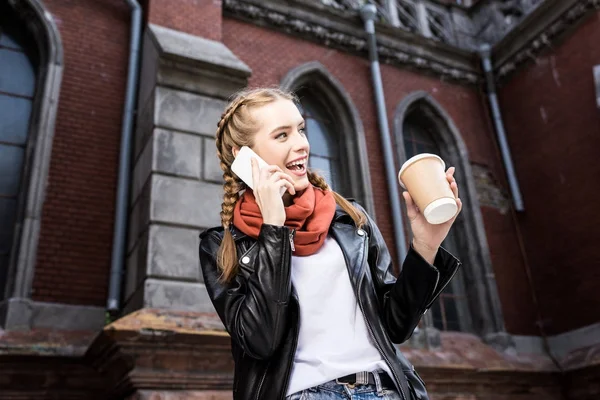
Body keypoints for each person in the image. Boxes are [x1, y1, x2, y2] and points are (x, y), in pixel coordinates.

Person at [199, 87, 462, 400]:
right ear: (242, 155)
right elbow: (261, 340)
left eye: (300, 129)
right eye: (281, 136)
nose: (300, 145)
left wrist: (426, 246)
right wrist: (274, 227)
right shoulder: (221, 246)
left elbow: (395, 326)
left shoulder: (351, 220)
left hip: (384, 390)